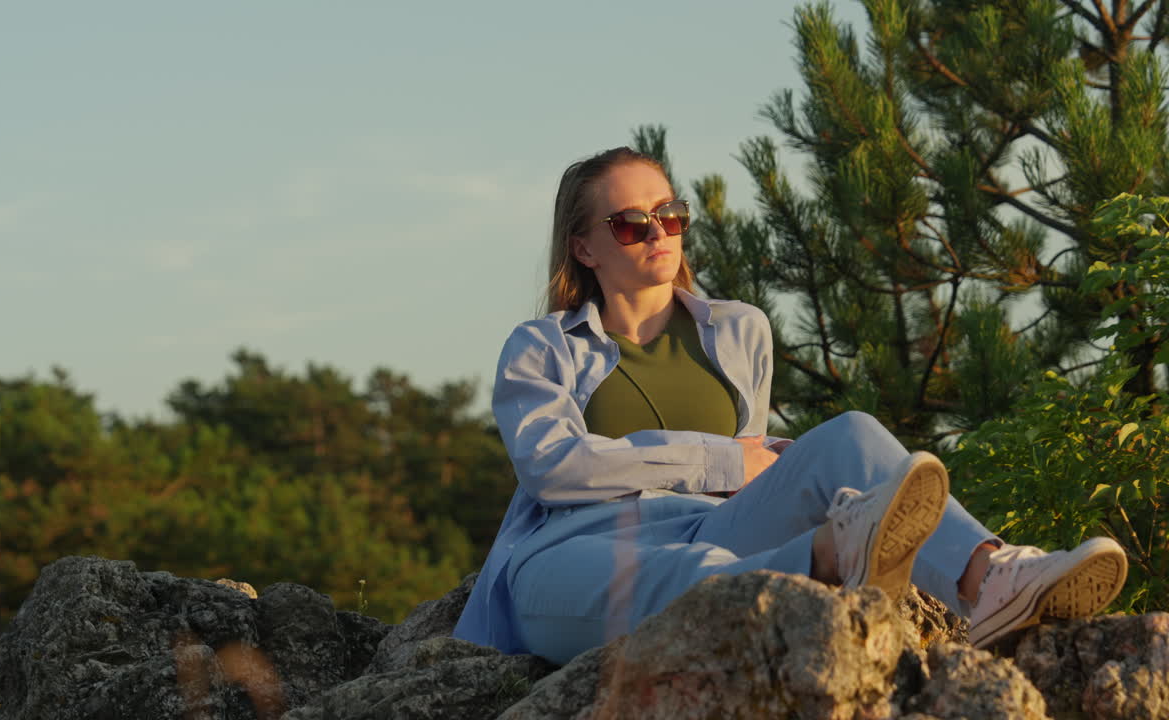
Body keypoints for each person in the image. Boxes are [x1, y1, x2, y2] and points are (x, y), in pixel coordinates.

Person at [452, 146, 1128, 665]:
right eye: (631, 224)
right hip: (577, 549)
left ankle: (992, 580)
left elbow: (748, 479)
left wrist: (743, 472)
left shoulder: (739, 329)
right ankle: (831, 556)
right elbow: (554, 468)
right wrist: (717, 459)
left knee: (848, 437)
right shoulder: (542, 346)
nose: (658, 231)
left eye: (670, 214)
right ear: (583, 246)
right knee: (693, 576)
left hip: (708, 526)